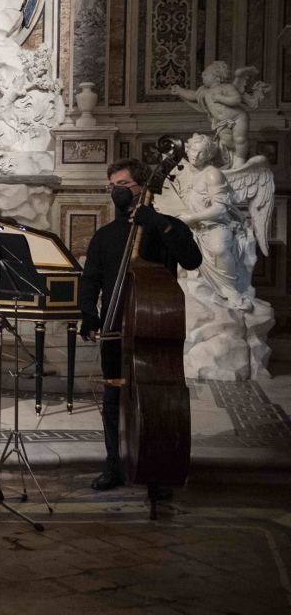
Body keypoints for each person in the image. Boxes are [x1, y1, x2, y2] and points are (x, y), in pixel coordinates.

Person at [78, 158, 202, 491]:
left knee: (156, 406)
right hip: (115, 327)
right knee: (112, 401)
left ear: (142, 187)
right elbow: (89, 281)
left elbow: (192, 259)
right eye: (112, 186)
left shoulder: (165, 227)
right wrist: (89, 314)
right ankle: (113, 465)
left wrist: (159, 224)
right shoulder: (105, 235)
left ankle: (156, 469)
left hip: (152, 330)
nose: (115, 191)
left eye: (122, 184)